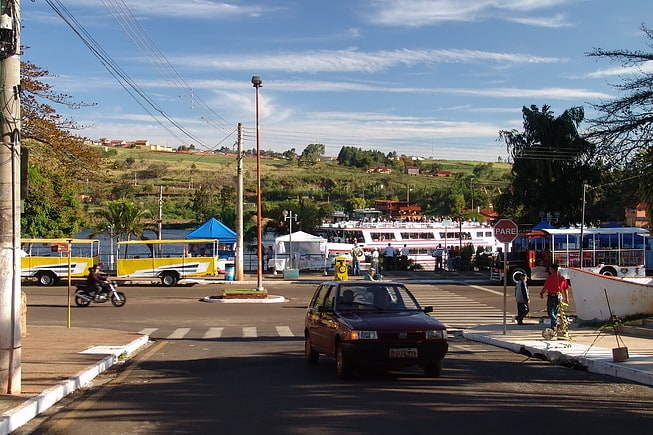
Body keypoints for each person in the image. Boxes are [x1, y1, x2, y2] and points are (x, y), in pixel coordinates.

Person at [539, 264, 570, 331]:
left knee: (550, 312)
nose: (549, 270)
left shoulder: (550, 278)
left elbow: (545, 287)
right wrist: (567, 298)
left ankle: (556, 322)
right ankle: (553, 327)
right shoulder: (562, 278)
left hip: (552, 296)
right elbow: (565, 288)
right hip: (559, 296)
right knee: (555, 311)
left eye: (550, 269)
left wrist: (541, 293)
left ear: (552, 269)